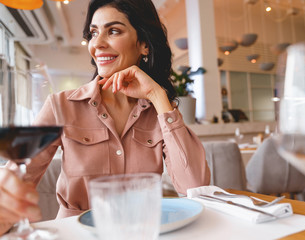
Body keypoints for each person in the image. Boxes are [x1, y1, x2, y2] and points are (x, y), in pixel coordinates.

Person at [0, 0, 210, 235]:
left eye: (113, 31)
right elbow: (16, 180)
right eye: (93, 33)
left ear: (144, 45)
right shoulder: (61, 105)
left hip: (140, 233)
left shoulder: (159, 112)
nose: (96, 44)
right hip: (76, 234)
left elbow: (196, 187)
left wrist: (157, 96)